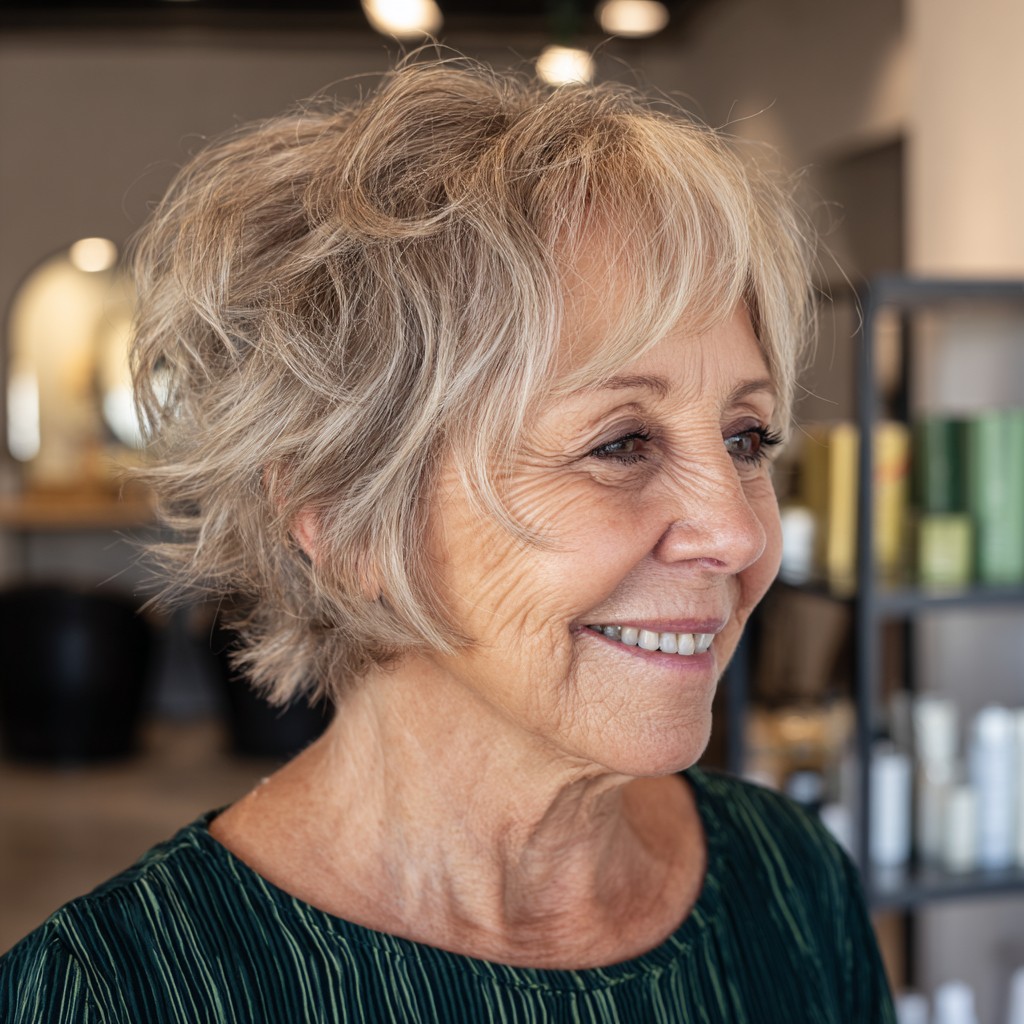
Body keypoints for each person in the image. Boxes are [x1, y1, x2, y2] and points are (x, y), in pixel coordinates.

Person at [0, 56, 896, 1022]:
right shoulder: (117, 994)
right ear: (344, 513)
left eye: (746, 438)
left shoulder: (790, 885)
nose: (736, 531)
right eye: (620, 443)